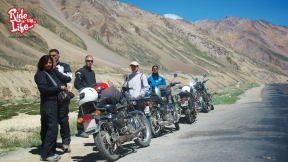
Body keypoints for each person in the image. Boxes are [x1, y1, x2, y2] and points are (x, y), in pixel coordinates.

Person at [34, 55, 68, 162]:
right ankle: (46, 154)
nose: (49, 64)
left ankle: (50, 152)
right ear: (42, 64)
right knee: (52, 128)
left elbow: (64, 78)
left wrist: (54, 68)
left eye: (50, 62)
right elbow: (43, 89)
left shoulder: (51, 73)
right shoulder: (40, 74)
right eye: (47, 63)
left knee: (47, 127)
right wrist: (59, 88)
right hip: (48, 104)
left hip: (54, 103)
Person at [49, 49, 72, 153]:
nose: (52, 57)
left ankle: (66, 143)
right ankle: (50, 144)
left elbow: (67, 78)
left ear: (58, 56)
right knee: (50, 122)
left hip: (62, 97)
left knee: (63, 121)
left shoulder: (64, 66)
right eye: (50, 55)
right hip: (50, 98)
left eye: (54, 55)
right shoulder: (46, 66)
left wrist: (55, 70)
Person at [74, 55, 96, 138]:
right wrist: (84, 90)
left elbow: (94, 83)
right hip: (85, 96)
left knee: (91, 112)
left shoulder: (92, 72)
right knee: (82, 113)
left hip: (92, 95)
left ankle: (89, 128)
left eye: (91, 61)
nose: (90, 62)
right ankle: (80, 130)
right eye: (88, 61)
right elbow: (76, 83)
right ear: (85, 61)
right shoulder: (81, 71)